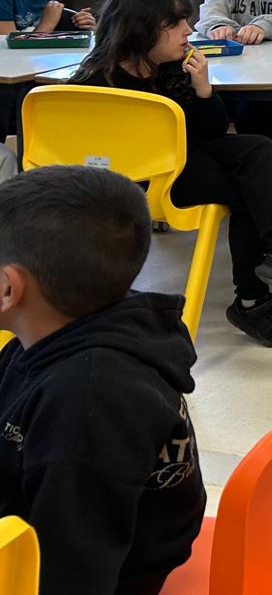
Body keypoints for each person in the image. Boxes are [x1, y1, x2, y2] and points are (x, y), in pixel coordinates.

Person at [71, 0, 272, 347]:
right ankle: (253, 300)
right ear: (140, 29)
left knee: (258, 148)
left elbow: (209, 132)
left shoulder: (172, 67)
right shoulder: (95, 81)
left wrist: (203, 89)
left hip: (184, 161)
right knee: (250, 191)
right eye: (175, 23)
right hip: (142, 183)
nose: (188, 30)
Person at [0, 165, 206, 593]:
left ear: (8, 289)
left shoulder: (89, 400)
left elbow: (69, 572)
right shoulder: (57, 330)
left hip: (82, 570)